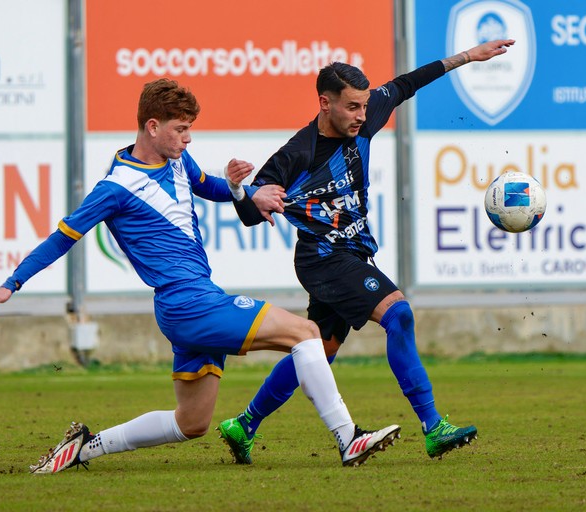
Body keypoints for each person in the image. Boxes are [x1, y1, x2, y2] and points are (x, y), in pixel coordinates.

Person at [0, 78, 400, 472]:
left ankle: (84, 447)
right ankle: (349, 439)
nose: (188, 137)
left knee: (191, 422)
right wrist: (11, 284)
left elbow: (209, 186)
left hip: (190, 302)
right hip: (189, 303)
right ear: (152, 126)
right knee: (306, 333)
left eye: (189, 129)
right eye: (181, 129)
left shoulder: (177, 160)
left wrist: (243, 190)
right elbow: (61, 238)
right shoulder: (116, 187)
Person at [219, 39, 516, 463]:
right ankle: (433, 427)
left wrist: (468, 56)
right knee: (399, 314)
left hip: (352, 255)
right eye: (353, 107)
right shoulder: (296, 155)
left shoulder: (365, 115)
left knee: (318, 350)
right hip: (323, 258)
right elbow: (253, 213)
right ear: (325, 103)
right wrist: (237, 190)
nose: (363, 114)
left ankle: (244, 424)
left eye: (364, 106)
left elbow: (407, 84)